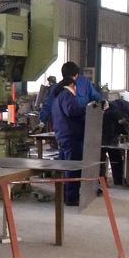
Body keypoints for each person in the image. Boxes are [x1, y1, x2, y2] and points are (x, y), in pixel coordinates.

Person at [51, 76, 87, 206]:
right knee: (73, 168)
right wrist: (88, 108)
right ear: (72, 85)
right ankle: (72, 197)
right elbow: (71, 110)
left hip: (63, 135)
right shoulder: (67, 94)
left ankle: (65, 195)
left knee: (65, 168)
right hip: (71, 136)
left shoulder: (58, 98)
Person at [39, 62, 103, 126]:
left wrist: (102, 101)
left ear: (76, 75)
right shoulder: (58, 88)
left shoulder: (85, 82)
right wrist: (42, 121)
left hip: (84, 122)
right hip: (66, 125)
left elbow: (95, 95)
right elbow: (48, 106)